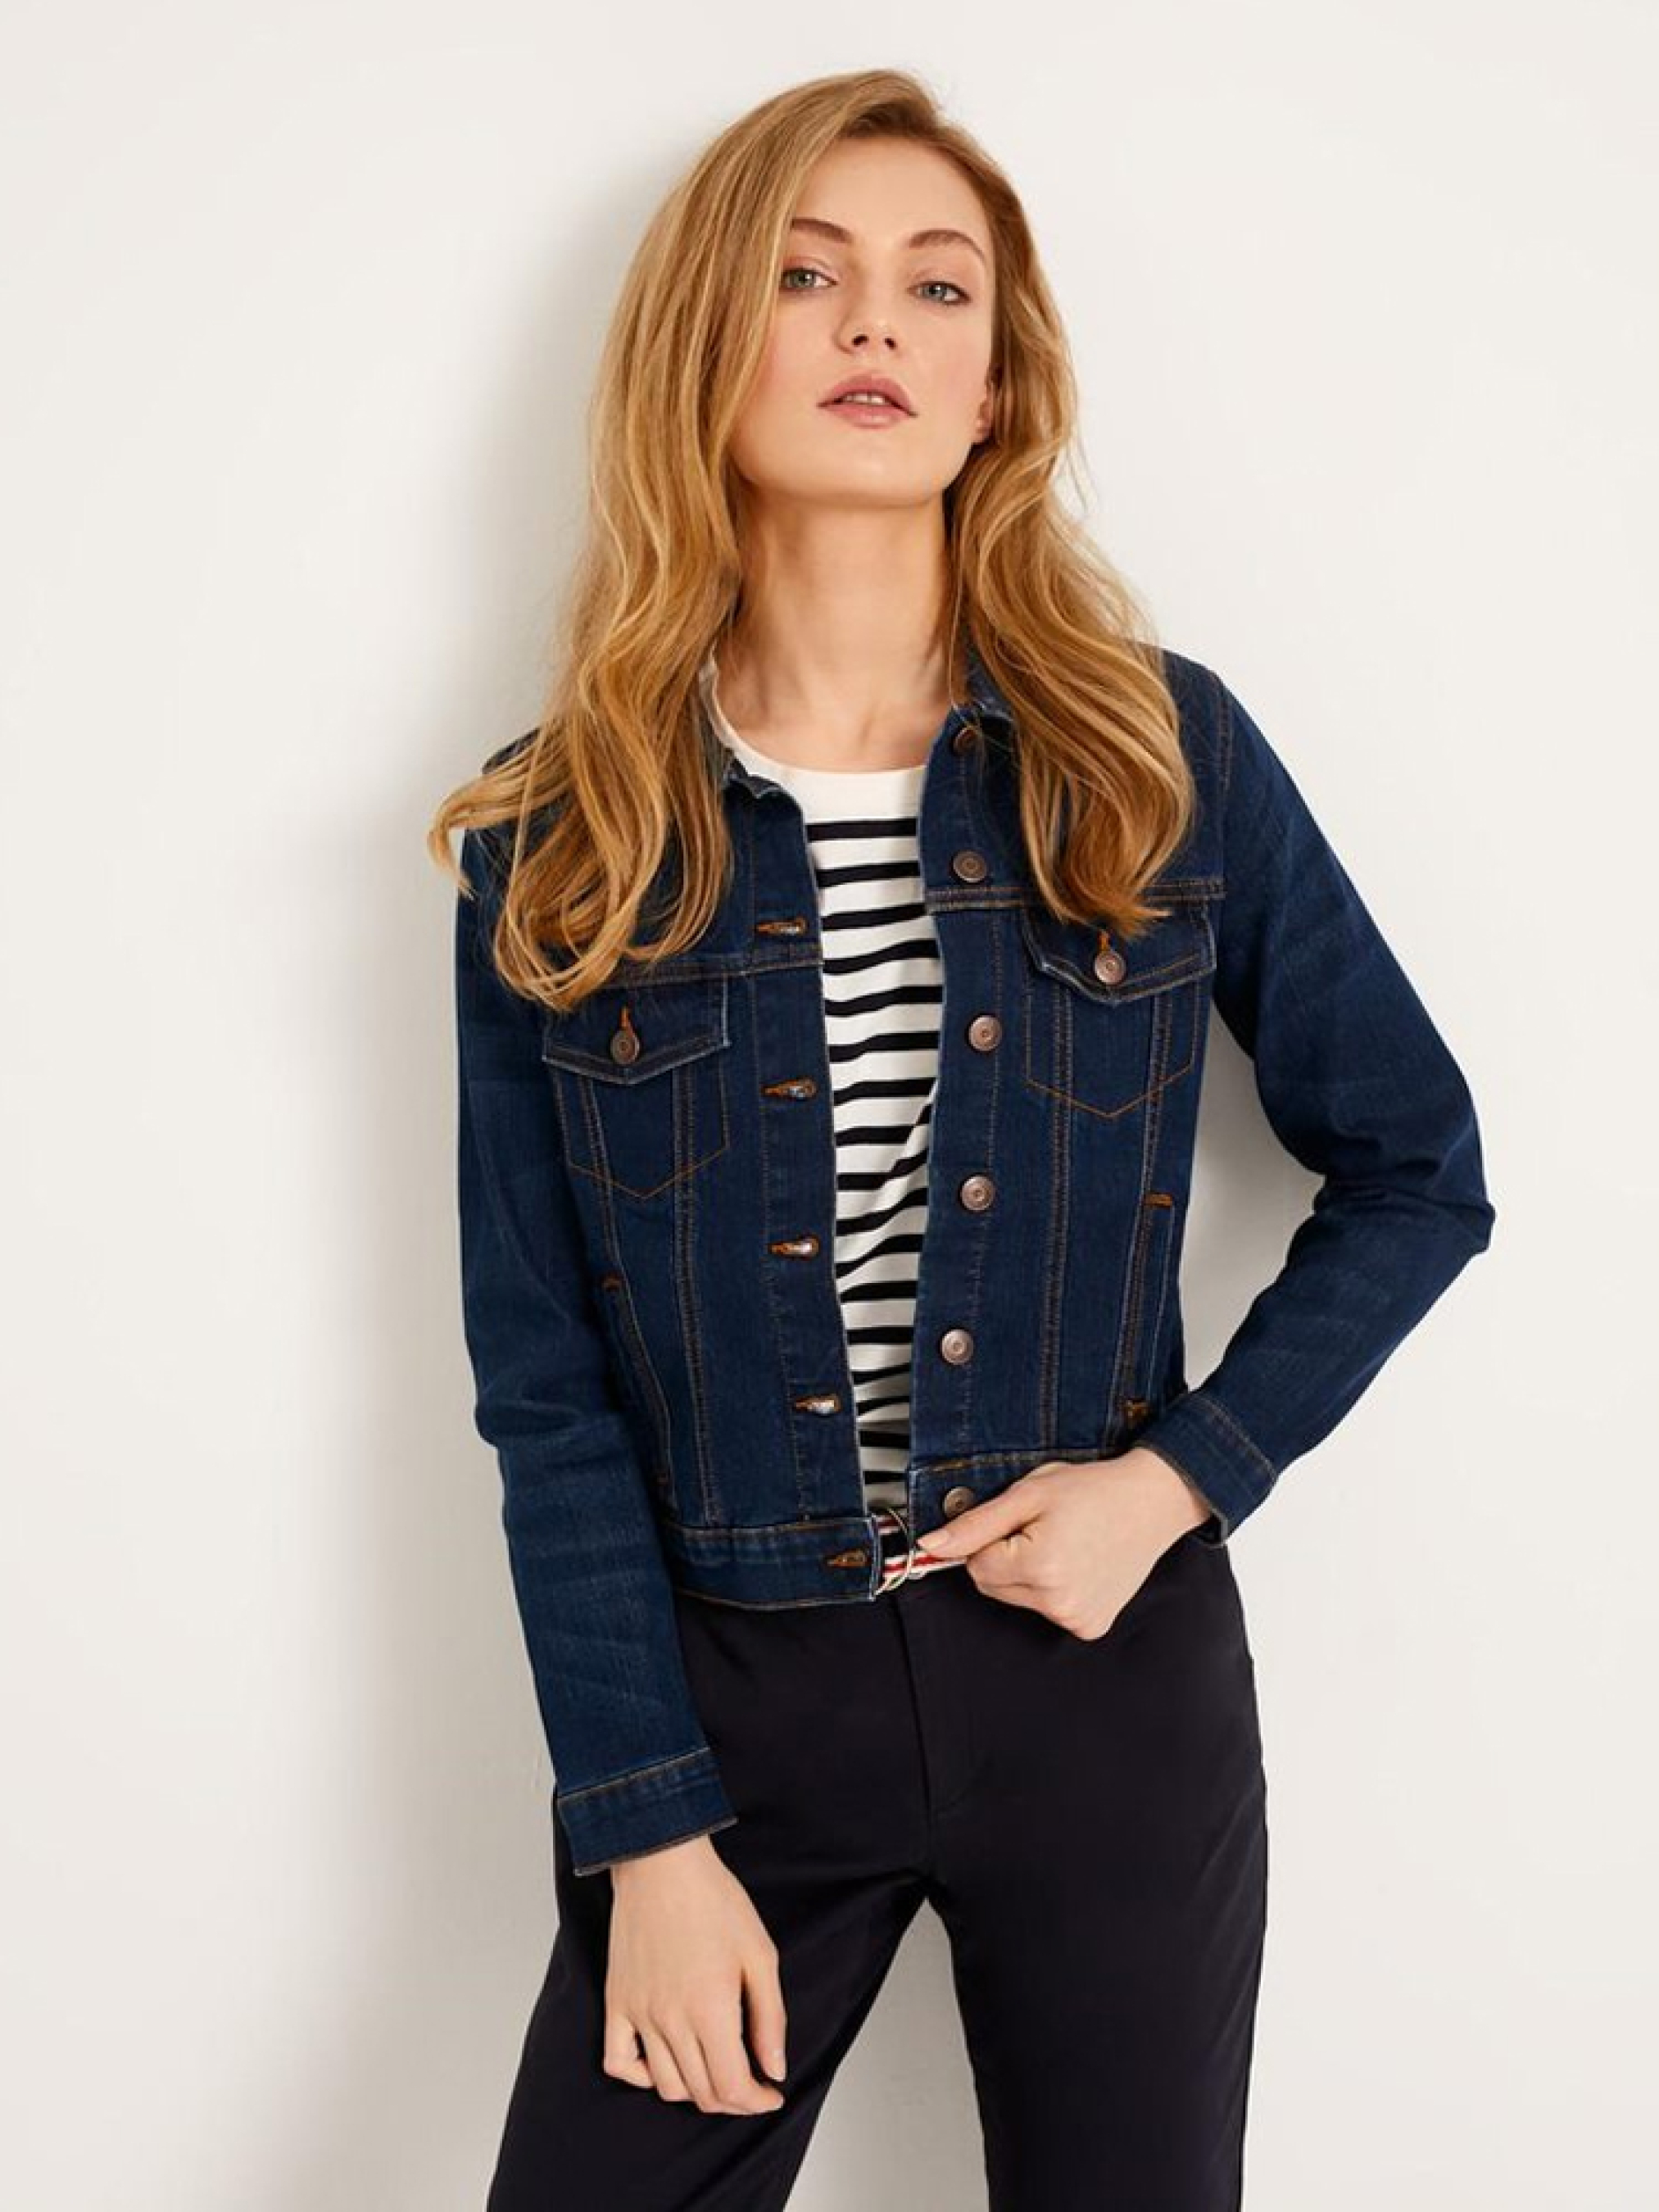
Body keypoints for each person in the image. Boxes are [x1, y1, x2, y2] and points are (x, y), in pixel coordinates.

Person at [428, 67, 1496, 2212]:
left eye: (938, 288)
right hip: (729, 1707)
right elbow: (547, 1389)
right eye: (804, 275)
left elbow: (1417, 1165)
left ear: (995, 384)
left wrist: (1177, 1481)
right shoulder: (566, 832)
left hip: (1102, 1682)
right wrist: (645, 1825)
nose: (874, 327)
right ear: (703, 344)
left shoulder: (1153, 752)